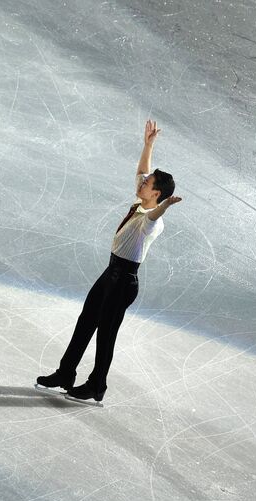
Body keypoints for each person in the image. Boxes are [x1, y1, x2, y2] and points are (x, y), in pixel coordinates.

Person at [36, 119, 182, 404]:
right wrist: (148, 144)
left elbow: (155, 215)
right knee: (85, 321)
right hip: (110, 272)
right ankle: (66, 373)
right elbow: (142, 170)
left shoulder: (152, 221)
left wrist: (166, 206)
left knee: (106, 335)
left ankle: (96, 385)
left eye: (148, 183)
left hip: (125, 281)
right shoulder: (139, 203)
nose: (142, 181)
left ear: (157, 194)